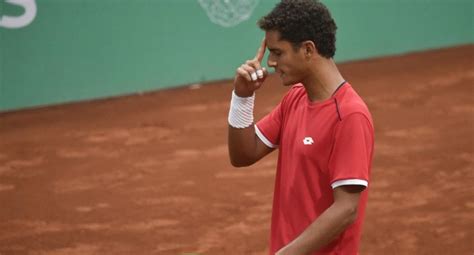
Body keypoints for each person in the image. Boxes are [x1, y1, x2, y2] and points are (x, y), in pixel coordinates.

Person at [227, 0, 375, 254]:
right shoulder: (295, 99)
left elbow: (346, 209)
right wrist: (242, 97)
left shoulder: (350, 115)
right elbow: (243, 154)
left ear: (307, 49)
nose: (270, 62)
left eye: (278, 52)